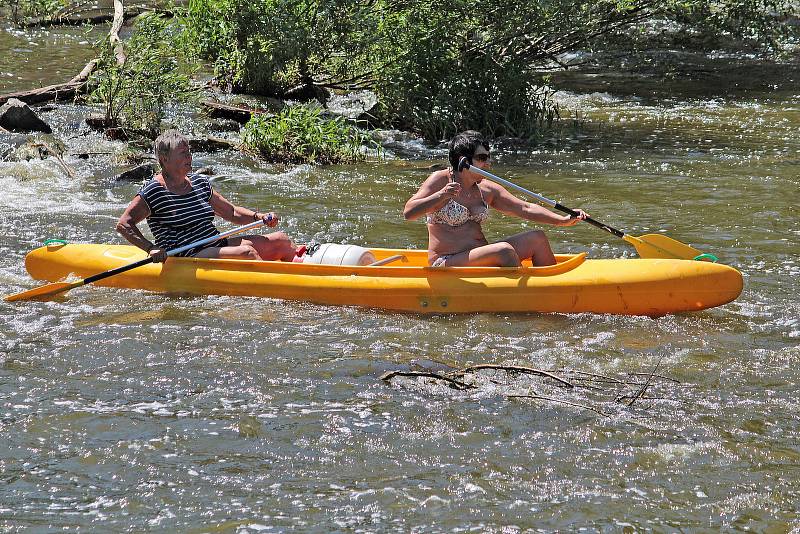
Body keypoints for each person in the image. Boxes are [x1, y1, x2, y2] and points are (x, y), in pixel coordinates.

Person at [403, 130, 588, 267]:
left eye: (488, 157)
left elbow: (525, 208)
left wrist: (562, 220)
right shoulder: (440, 180)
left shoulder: (486, 189)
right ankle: (523, 297)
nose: (488, 163)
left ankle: (551, 288)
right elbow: (409, 213)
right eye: (482, 158)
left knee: (537, 238)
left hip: (480, 256)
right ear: (463, 160)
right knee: (503, 250)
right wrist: (441, 195)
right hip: (446, 261)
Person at [117, 129, 298, 263]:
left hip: (213, 243)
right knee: (247, 253)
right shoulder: (154, 190)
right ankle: (275, 291)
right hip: (186, 255)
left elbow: (232, 212)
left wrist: (258, 217)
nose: (189, 157)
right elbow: (124, 224)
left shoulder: (199, 182)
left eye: (189, 152)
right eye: (183, 153)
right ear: (164, 159)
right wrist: (151, 248)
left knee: (281, 240)